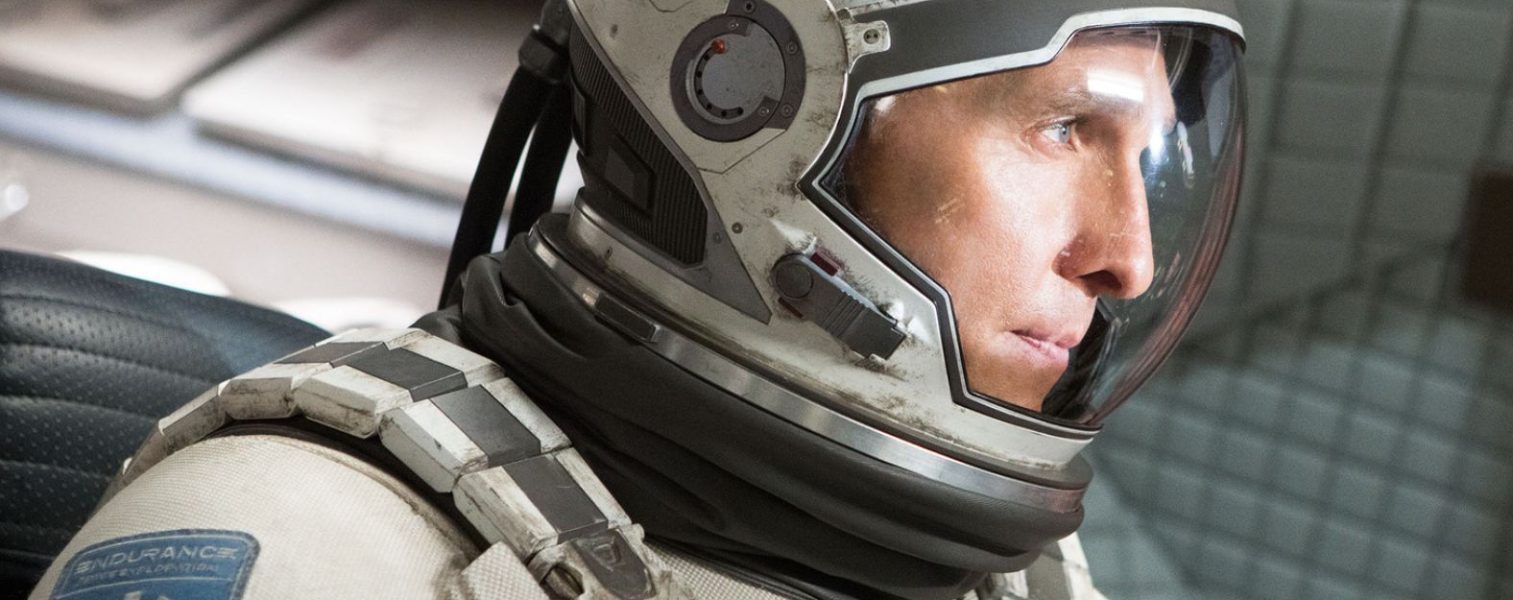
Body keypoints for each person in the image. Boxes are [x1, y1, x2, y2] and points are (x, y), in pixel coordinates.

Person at [30, 0, 1248, 598]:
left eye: (1142, 158)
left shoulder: (1022, 574)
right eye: (1060, 128)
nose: (1128, 260)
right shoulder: (303, 547)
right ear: (749, 113)